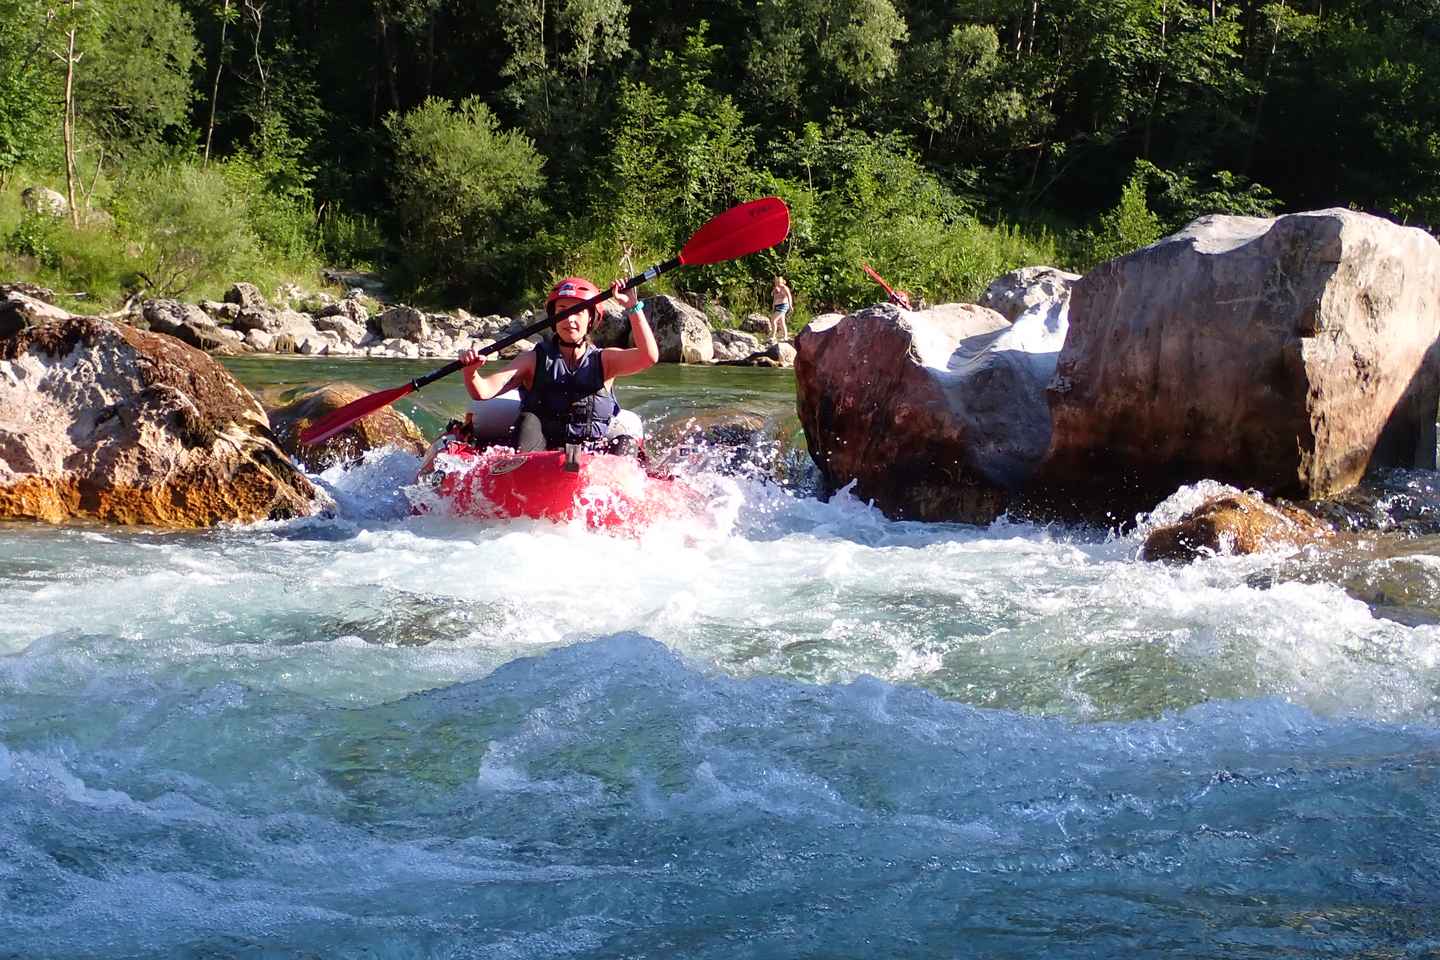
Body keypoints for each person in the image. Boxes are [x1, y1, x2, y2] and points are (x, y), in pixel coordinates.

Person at [456, 276, 658, 455]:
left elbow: (648, 356)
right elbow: (482, 392)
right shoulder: (533, 360)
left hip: (592, 457)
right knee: (528, 421)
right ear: (553, 318)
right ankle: (523, 477)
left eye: (578, 312)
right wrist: (471, 372)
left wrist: (632, 306)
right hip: (540, 455)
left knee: (626, 443)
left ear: (591, 319)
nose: (569, 318)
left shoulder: (605, 361)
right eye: (562, 310)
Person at [769, 276, 793, 342]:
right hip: (777, 306)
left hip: (783, 305)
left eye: (779, 282)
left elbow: (789, 296)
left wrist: (790, 305)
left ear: (782, 282)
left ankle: (773, 336)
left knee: (773, 320)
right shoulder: (776, 288)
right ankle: (785, 336)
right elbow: (774, 297)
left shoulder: (785, 288)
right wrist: (773, 306)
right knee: (781, 322)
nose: (778, 283)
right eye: (777, 282)